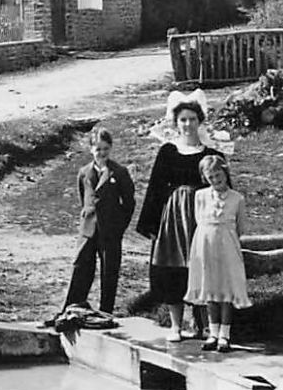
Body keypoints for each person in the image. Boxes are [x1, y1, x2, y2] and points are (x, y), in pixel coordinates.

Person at [135, 90, 224, 343]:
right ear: (176, 123)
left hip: (201, 219)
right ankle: (176, 326)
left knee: (202, 268)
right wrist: (151, 224)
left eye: (192, 119)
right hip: (173, 221)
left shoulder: (211, 155)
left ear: (200, 121)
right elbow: (155, 189)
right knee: (173, 270)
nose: (188, 124)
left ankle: (205, 326)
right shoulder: (167, 152)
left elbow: (223, 188)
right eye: (183, 120)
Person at [63, 127, 136, 315]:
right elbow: (84, 199)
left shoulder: (119, 173)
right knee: (81, 266)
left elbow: (129, 203)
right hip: (88, 230)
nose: (101, 153)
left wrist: (119, 227)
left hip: (110, 231)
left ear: (110, 148)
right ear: (91, 150)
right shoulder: (84, 172)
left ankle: (106, 312)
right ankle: (73, 308)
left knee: (109, 271)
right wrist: (87, 219)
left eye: (105, 149)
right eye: (98, 149)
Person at [185, 155, 251, 352]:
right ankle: (212, 333)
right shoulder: (200, 196)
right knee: (211, 289)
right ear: (205, 178)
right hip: (206, 245)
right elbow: (199, 221)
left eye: (218, 175)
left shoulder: (237, 198)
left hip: (227, 246)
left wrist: (227, 238)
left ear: (225, 173)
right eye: (211, 177)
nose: (215, 180)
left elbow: (240, 227)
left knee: (226, 290)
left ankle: (225, 335)